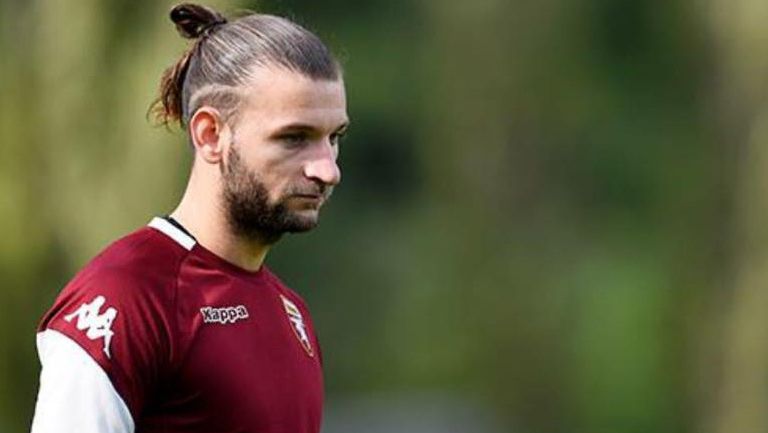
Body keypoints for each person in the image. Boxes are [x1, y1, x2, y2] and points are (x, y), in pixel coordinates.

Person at [30, 3, 348, 433]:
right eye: (294, 138)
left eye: (334, 138)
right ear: (211, 135)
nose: (327, 169)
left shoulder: (292, 313)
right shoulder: (125, 298)